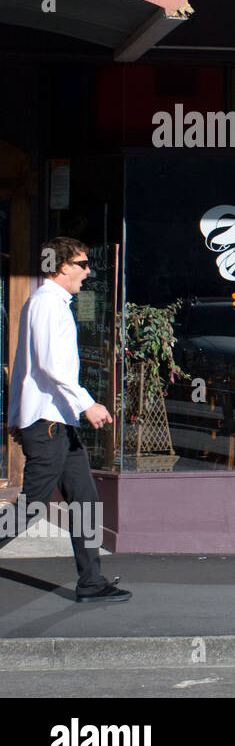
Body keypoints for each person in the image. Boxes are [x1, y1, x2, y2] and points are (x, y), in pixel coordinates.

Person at [3, 237, 130, 603]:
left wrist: (16, 415)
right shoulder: (47, 304)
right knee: (30, 506)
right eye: (83, 264)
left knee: (86, 499)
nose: (88, 272)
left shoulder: (52, 303)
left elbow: (24, 367)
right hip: (48, 424)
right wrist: (86, 403)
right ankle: (90, 581)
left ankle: (91, 582)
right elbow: (47, 365)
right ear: (62, 267)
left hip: (56, 422)